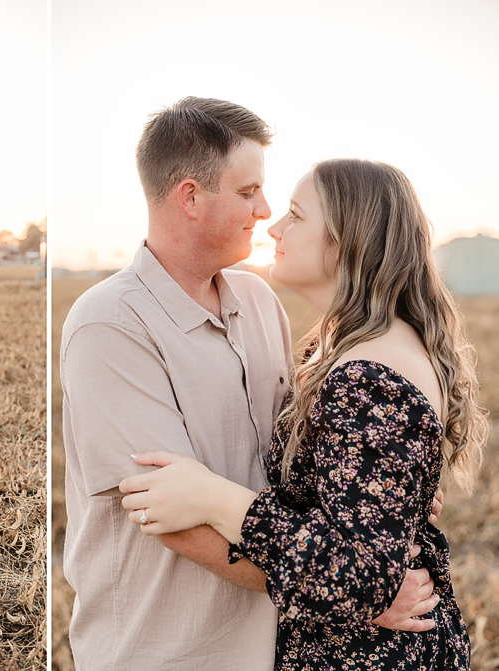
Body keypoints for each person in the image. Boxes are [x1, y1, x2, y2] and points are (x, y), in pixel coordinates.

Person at [60, 98, 441, 670]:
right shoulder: (109, 323)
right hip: (167, 649)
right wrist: (354, 594)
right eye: (247, 192)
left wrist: (385, 492)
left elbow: (304, 457)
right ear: (189, 196)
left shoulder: (261, 302)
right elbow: (171, 516)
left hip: (271, 646)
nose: (264, 211)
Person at [120, 159, 487, 670]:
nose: (273, 227)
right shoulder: (349, 344)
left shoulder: (368, 376)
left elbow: (357, 578)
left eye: (295, 215)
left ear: (346, 240)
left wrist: (212, 497)